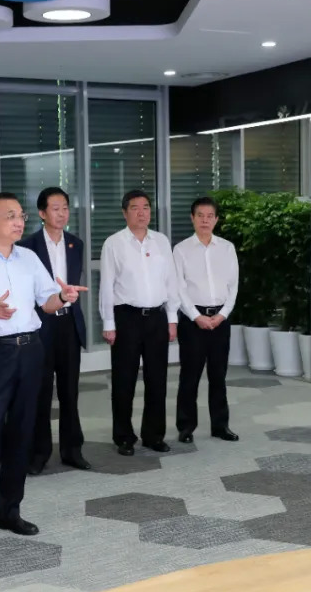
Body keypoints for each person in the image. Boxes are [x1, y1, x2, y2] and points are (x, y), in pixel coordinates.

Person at [0, 192, 85, 557]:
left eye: (21, 215)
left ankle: (9, 512)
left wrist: (65, 297)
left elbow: (47, 302)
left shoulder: (29, 258)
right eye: (10, 215)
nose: (19, 221)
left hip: (31, 351)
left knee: (22, 434)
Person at [99, 189, 179, 456]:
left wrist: (172, 318)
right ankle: (123, 436)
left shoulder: (161, 241)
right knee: (124, 380)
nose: (142, 213)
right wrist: (108, 322)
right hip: (127, 318)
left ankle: (153, 435)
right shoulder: (114, 243)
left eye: (146, 207)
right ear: (125, 213)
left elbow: (171, 281)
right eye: (135, 208)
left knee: (157, 380)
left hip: (157, 317)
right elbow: (107, 286)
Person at [18, 187, 91, 474]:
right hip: (42, 325)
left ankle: (72, 450)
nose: (62, 214)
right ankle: (39, 453)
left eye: (65, 208)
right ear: (42, 213)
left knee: (70, 391)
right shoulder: (27, 246)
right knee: (41, 391)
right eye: (55, 208)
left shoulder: (76, 244)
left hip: (69, 323)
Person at [173, 197, 239, 443]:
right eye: (200, 215)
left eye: (210, 216)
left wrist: (222, 315)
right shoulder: (181, 250)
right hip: (192, 321)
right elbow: (178, 288)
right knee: (190, 376)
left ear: (216, 219)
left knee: (218, 375)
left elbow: (233, 286)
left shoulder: (227, 248)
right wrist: (196, 316)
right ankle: (186, 427)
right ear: (192, 218)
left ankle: (220, 426)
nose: (205, 220)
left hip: (221, 319)